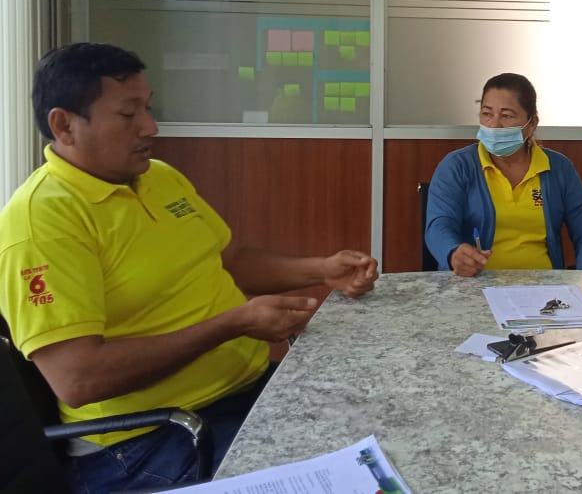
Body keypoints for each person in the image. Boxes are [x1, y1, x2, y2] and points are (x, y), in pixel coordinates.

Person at [0, 43, 380, 492]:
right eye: (128, 114)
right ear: (64, 125)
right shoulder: (42, 222)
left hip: (247, 390)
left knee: (381, 435)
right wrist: (232, 324)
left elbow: (229, 260)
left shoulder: (159, 177)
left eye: (148, 108)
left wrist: (321, 270)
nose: (150, 126)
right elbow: (78, 379)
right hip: (150, 440)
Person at [425, 72, 582, 276]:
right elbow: (438, 225)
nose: (494, 125)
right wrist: (453, 252)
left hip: (544, 288)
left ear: (532, 124)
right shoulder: (457, 166)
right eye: (487, 113)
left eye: (507, 116)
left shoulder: (559, 169)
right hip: (474, 286)